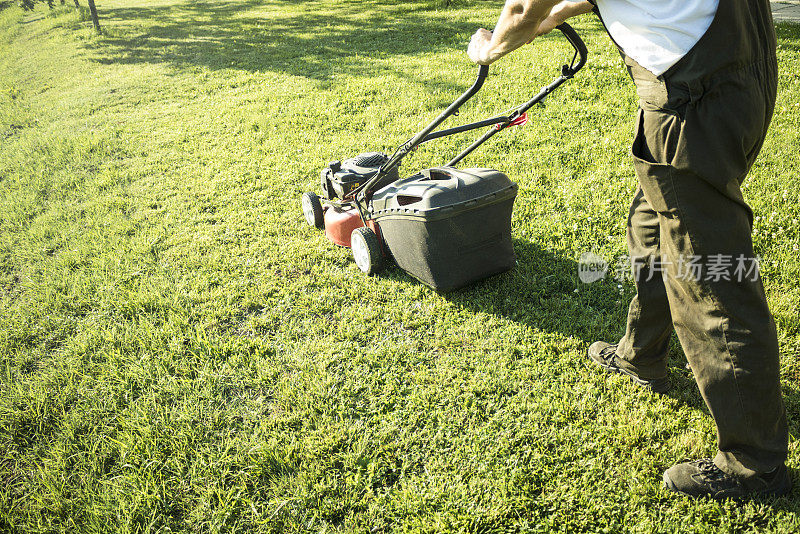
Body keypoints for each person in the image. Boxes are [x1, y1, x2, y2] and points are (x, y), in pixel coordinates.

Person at [468, 0, 791, 499]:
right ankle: (642, 354)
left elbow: (522, 6)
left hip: (695, 100)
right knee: (650, 225)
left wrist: (491, 48)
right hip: (737, 65)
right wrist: (557, 15)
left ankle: (755, 463)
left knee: (708, 278)